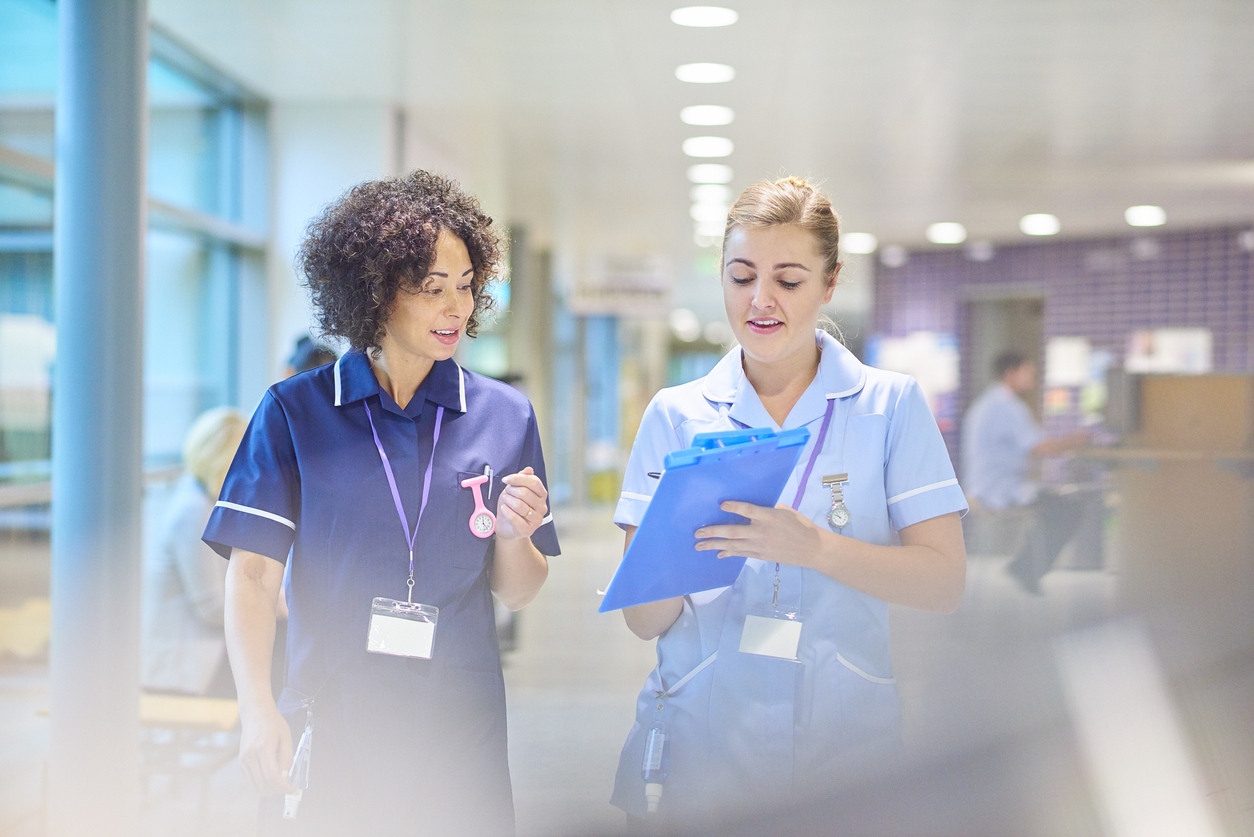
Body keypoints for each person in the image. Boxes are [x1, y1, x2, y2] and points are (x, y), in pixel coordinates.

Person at [203, 171, 559, 836]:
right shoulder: (295, 413)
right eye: (433, 289)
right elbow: (251, 575)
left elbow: (520, 590)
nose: (457, 307)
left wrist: (516, 535)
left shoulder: (504, 416)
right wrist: (256, 709)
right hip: (332, 715)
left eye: (466, 284)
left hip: (458, 724)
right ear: (376, 291)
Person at [610, 177, 969, 824]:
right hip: (700, 740)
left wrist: (818, 549)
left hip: (843, 747)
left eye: (789, 280)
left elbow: (943, 581)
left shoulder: (889, 407)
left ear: (830, 284)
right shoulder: (676, 416)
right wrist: (675, 541)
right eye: (741, 275)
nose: (760, 300)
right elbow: (643, 620)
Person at [961, 351, 1091, 594]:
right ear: (1011, 374)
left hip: (983, 486)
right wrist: (1076, 440)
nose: (1033, 377)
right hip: (999, 489)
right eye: (1028, 372)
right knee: (1068, 507)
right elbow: (1041, 448)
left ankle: (1024, 567)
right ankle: (1025, 568)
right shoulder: (1007, 407)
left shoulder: (987, 403)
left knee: (1054, 504)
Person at [141, 406, 247, 698]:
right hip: (184, 671)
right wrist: (270, 605)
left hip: (202, 661)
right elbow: (211, 607)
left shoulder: (200, 500)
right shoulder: (193, 512)